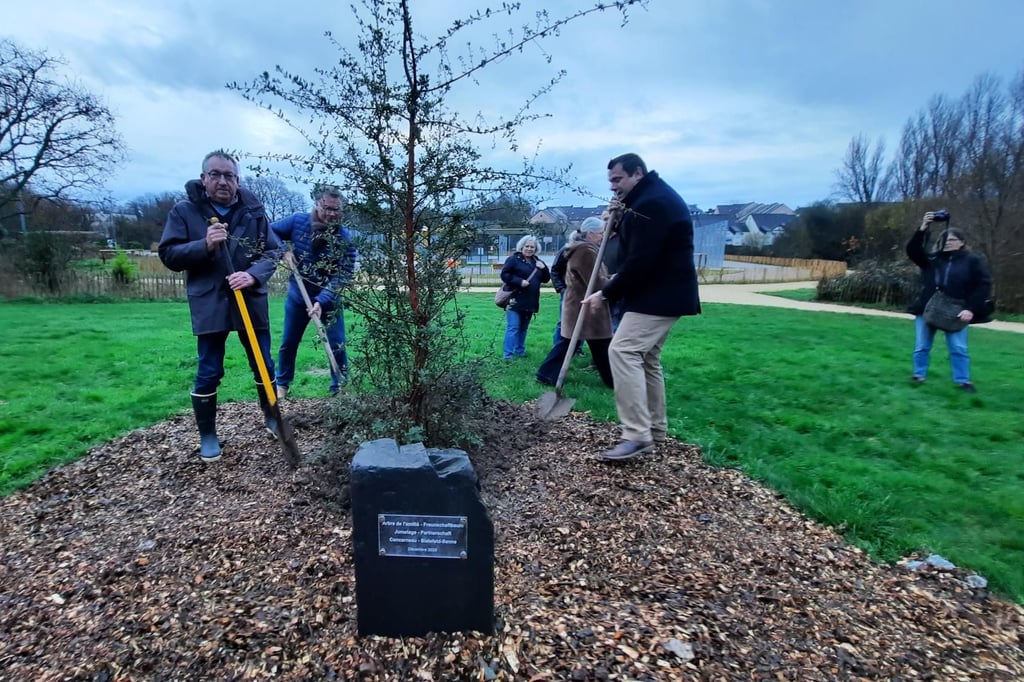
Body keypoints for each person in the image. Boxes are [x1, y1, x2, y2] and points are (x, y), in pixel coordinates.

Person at [158, 150, 283, 463]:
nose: (223, 181)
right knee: (209, 369)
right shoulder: (185, 211)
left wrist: (251, 275)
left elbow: (273, 252)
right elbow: (169, 255)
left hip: (250, 301)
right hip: (211, 300)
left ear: (237, 181)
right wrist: (205, 245)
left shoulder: (253, 211)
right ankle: (208, 435)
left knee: (263, 363)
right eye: (215, 174)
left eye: (229, 175)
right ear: (204, 179)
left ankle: (272, 418)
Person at [583, 153, 701, 461]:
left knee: (622, 351)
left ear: (637, 173)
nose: (613, 188)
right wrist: (616, 221)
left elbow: (638, 261)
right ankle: (655, 430)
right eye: (610, 181)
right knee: (647, 358)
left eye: (618, 180)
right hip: (661, 292)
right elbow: (626, 251)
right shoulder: (646, 199)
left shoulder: (651, 204)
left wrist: (606, 294)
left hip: (658, 293)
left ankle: (636, 435)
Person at [271, 186, 358, 398]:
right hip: (298, 297)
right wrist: (284, 250)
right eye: (327, 208)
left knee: (337, 344)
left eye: (336, 210)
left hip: (329, 299)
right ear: (317, 204)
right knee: (289, 342)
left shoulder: (345, 238)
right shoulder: (297, 222)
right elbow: (269, 230)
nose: (331, 214)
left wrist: (322, 300)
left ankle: (339, 388)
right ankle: (282, 384)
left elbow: (343, 275)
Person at [906, 211, 992, 393]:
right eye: (945, 240)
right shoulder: (932, 259)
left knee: (958, 347)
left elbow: (983, 285)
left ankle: (963, 381)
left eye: (953, 240)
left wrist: (971, 309)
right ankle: (918, 376)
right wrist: (923, 227)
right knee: (922, 345)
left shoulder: (972, 261)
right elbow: (913, 251)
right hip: (927, 308)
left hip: (957, 310)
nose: (948, 243)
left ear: (962, 243)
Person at [536, 217, 614, 388]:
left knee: (580, 343)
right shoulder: (585, 250)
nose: (602, 237)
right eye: (600, 233)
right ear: (591, 234)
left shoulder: (583, 248)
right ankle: (613, 380)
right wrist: (614, 282)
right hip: (586, 306)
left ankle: (546, 373)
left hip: (581, 305)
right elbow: (595, 282)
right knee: (599, 343)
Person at [499, 235, 550, 359]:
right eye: (527, 246)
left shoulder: (538, 262)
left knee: (523, 329)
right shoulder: (513, 259)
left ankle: (520, 352)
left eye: (532, 247)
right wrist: (519, 281)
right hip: (515, 300)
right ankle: (508, 355)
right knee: (513, 328)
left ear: (536, 248)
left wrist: (544, 269)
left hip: (530, 301)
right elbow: (504, 275)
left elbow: (546, 279)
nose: (529, 249)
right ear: (522, 247)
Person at [549, 228, 586, 357]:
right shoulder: (564, 252)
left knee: (582, 321)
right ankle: (557, 347)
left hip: (584, 293)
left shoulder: (588, 253)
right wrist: (561, 288)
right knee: (564, 321)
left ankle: (577, 348)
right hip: (568, 292)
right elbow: (554, 270)